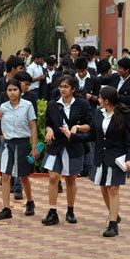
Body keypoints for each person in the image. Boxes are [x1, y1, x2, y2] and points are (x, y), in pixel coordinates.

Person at [63, 86, 130, 237]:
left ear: (107, 101)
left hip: (116, 157)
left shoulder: (126, 114)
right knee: (104, 187)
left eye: (100, 98)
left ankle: (113, 224)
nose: (99, 100)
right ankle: (114, 213)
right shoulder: (98, 113)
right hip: (100, 156)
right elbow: (93, 135)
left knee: (113, 188)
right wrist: (73, 136)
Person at [41, 76, 92, 226]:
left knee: (71, 179)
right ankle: (52, 211)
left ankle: (70, 210)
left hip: (74, 145)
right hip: (56, 145)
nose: (62, 89)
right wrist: (49, 130)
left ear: (73, 89)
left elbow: (89, 124)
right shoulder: (53, 104)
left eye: (65, 87)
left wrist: (78, 128)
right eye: (60, 86)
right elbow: (48, 123)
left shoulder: (82, 104)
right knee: (53, 177)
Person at [0, 79, 39, 220]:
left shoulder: (27, 105)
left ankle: (30, 202)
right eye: (9, 90)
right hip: (7, 145)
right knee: (5, 175)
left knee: (23, 176)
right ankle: (6, 208)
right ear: (6, 92)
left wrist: (34, 147)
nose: (12, 92)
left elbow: (33, 126)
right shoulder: (3, 107)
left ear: (20, 90)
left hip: (23, 144)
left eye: (15, 89)